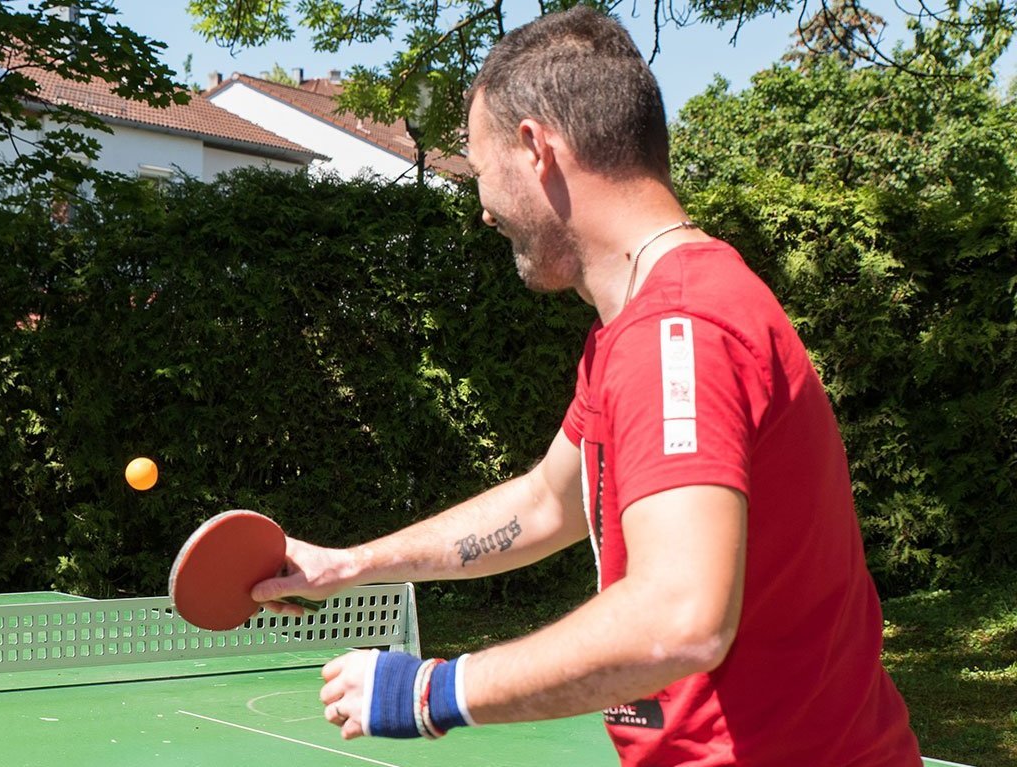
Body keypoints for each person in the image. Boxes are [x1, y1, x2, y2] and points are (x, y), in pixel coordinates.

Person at [251, 8, 922, 764]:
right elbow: (548, 501)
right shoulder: (643, 326)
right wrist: (350, 565)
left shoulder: (680, 329)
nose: (482, 208)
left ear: (536, 149)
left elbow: (678, 618)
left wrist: (430, 691)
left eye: (481, 169)